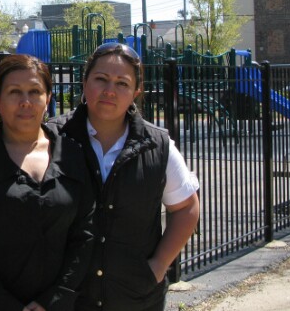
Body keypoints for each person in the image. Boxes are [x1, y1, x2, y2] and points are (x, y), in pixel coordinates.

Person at [48, 42, 200, 311]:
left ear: (136, 92)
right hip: (65, 299)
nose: (109, 91)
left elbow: (187, 207)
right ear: (84, 83)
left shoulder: (158, 145)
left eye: (122, 83)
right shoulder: (52, 138)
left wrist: (158, 266)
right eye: (101, 79)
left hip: (135, 299)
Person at [0, 54, 95, 311]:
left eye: (35, 91)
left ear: (48, 99)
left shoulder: (72, 154)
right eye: (15, 92)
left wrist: (54, 299)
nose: (25, 102)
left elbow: (85, 234)